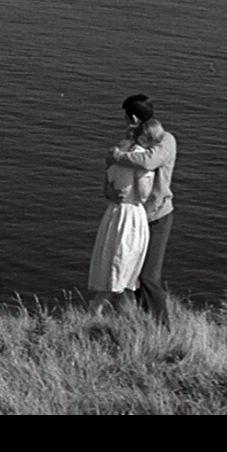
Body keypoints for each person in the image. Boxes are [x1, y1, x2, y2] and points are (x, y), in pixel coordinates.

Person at [111, 94, 177, 324]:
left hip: (157, 215)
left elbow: (148, 161)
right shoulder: (133, 140)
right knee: (135, 273)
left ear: (133, 117)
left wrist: (118, 156)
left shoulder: (166, 139)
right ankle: (147, 321)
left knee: (148, 274)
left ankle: (162, 326)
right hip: (136, 215)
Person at [88, 119, 157, 312]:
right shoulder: (139, 159)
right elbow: (143, 194)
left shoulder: (114, 155)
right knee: (124, 262)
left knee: (112, 259)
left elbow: (107, 190)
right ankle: (97, 310)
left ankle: (124, 314)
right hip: (131, 214)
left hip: (114, 212)